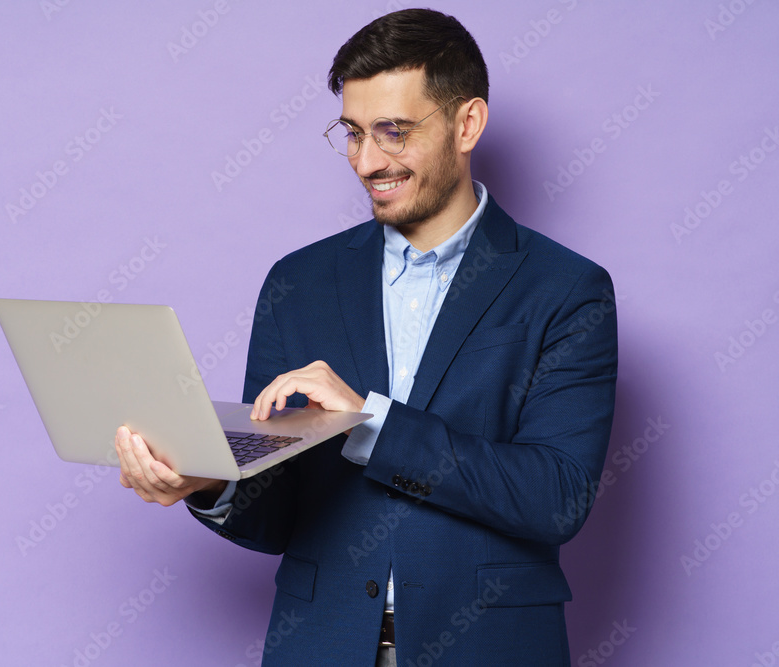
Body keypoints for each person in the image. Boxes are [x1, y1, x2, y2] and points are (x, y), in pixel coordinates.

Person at [114, 8, 618, 666]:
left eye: (394, 132)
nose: (366, 161)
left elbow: (556, 496)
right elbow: (279, 511)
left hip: (487, 645)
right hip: (318, 644)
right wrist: (207, 480)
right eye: (352, 133)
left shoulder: (566, 288)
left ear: (467, 124)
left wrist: (367, 423)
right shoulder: (298, 281)